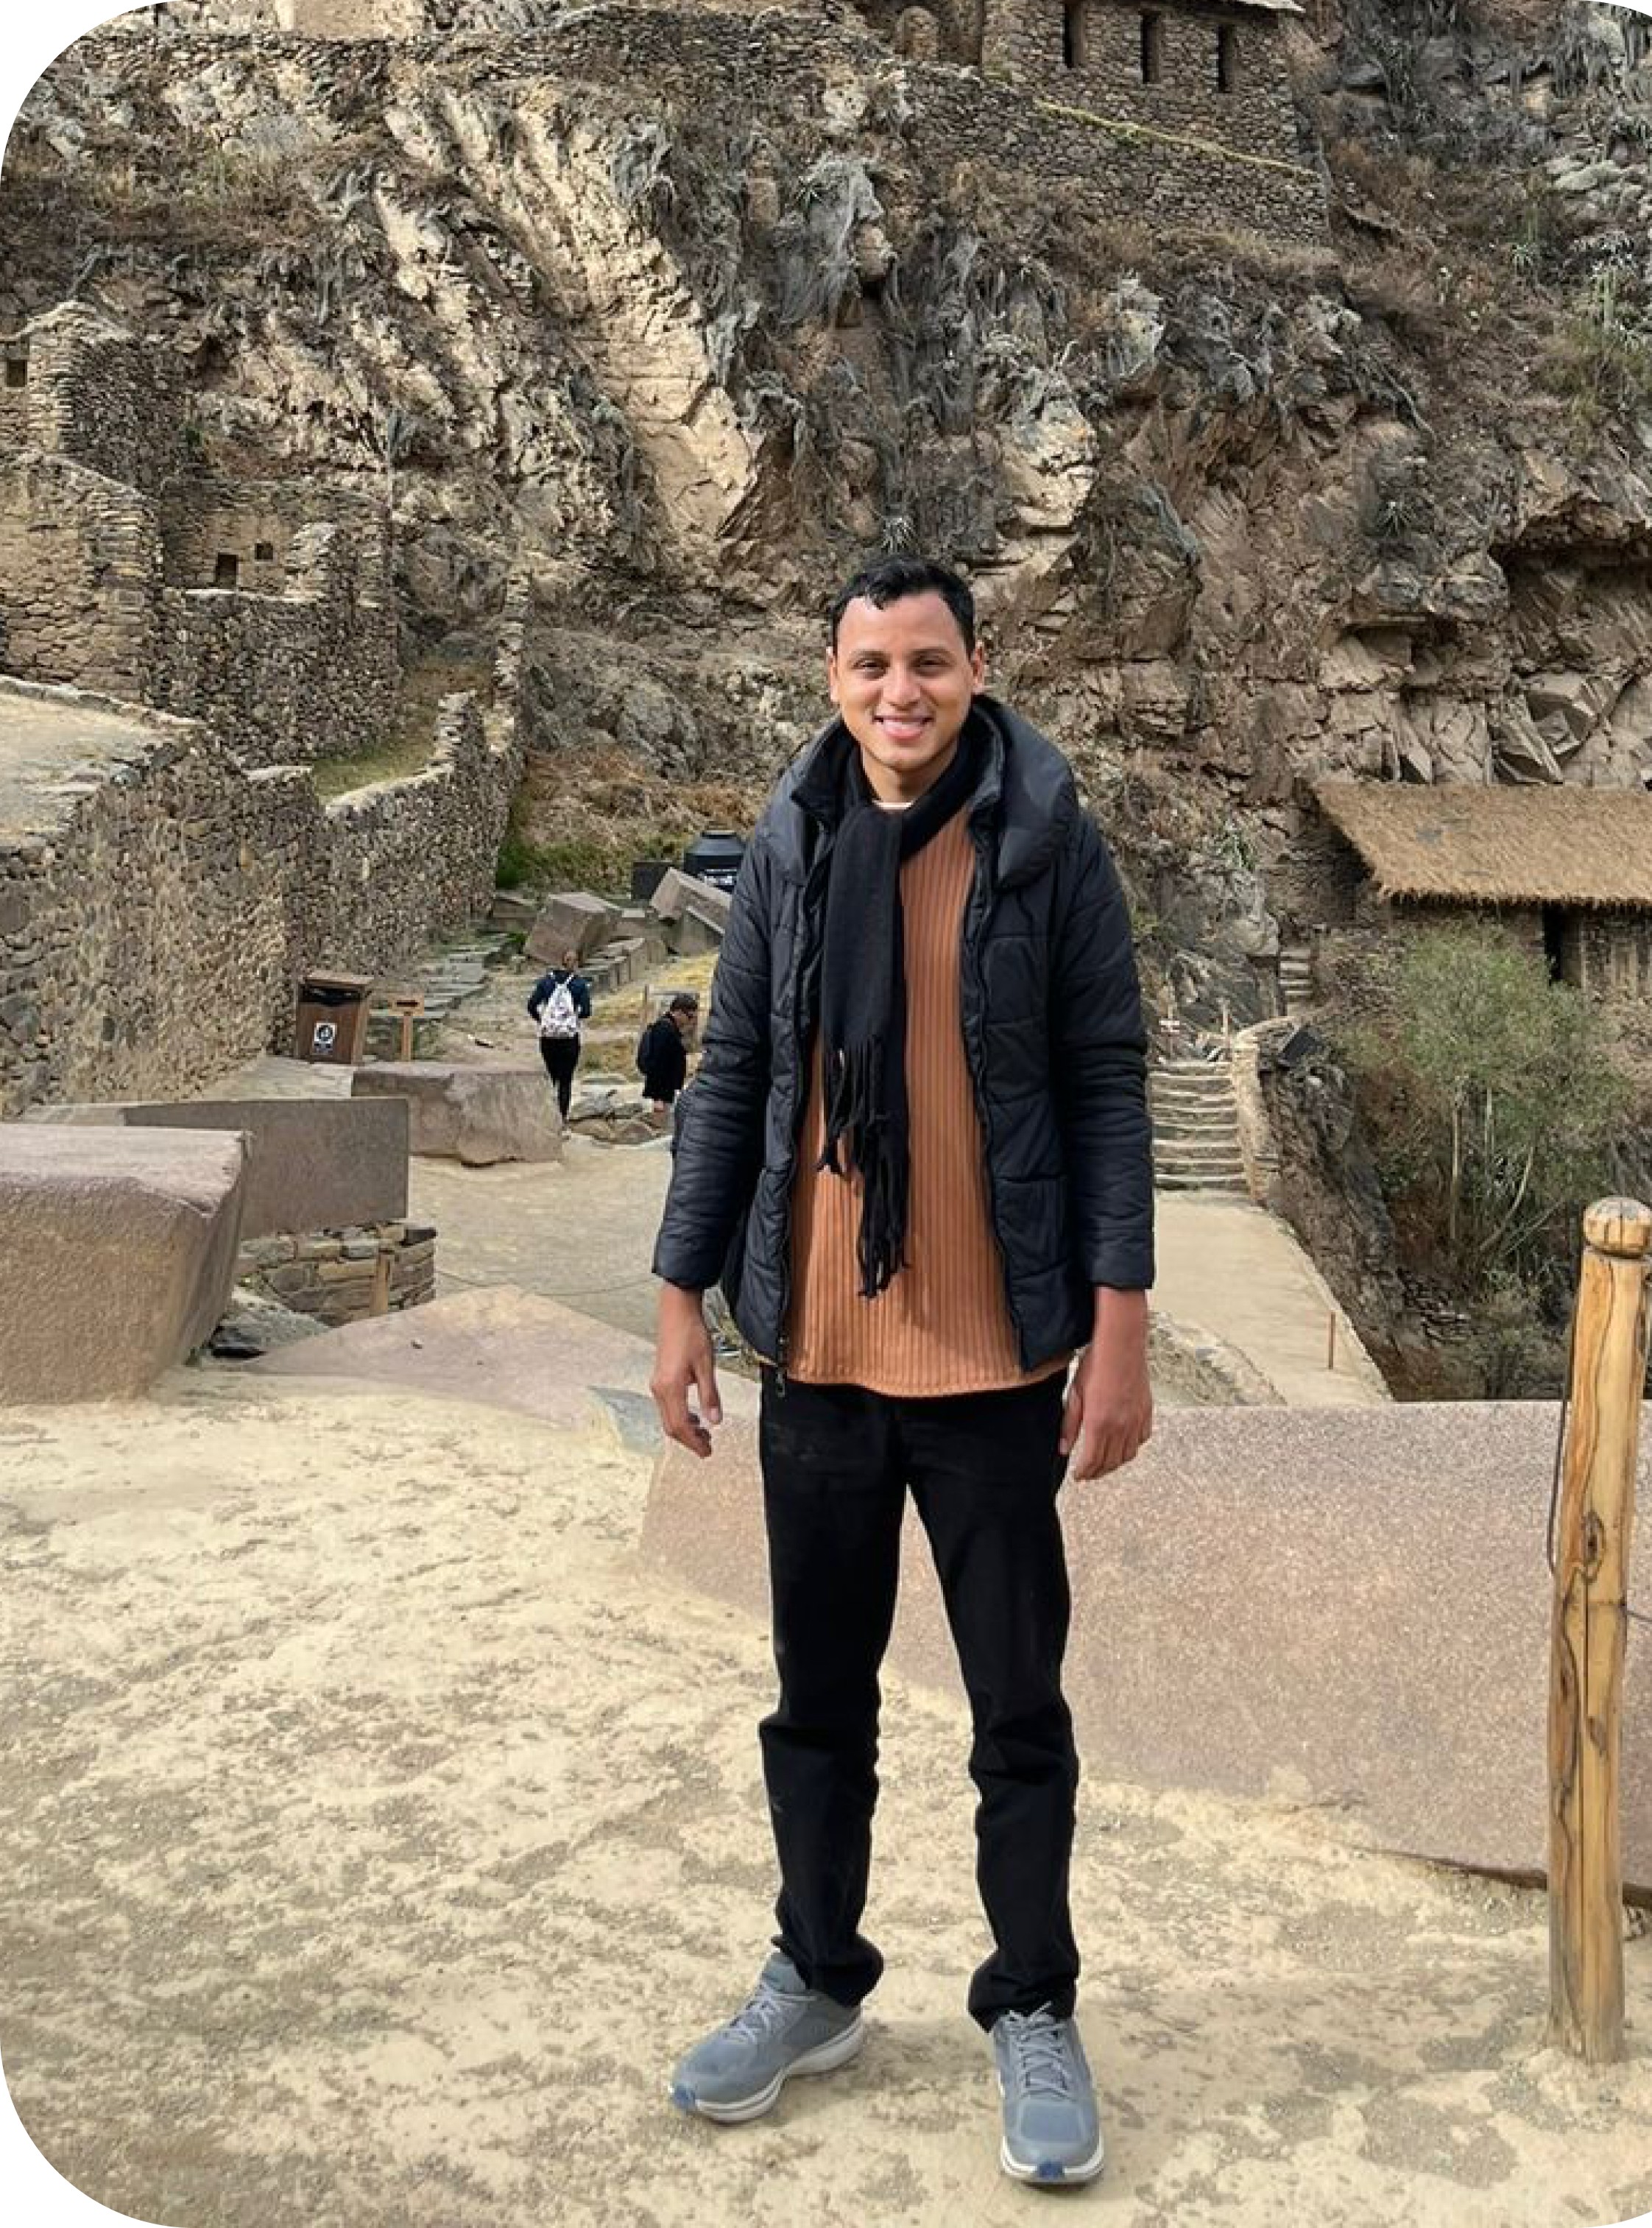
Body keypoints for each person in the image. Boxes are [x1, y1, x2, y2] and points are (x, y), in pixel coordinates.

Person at [649, 555, 1154, 2186]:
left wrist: (1121, 1324)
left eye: (929, 663)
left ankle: (1033, 1999)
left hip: (995, 1359)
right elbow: (735, 1070)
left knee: (1019, 1706)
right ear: (830, 673)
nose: (902, 693)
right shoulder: (792, 842)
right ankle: (816, 1973)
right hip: (822, 1353)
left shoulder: (1049, 838)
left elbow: (1105, 1078)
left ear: (976, 665)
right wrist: (678, 1294)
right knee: (819, 1702)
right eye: (873, 665)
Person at [525, 960, 592, 1121]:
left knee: (551, 1077)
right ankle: (561, 1118)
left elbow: (531, 1005)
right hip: (569, 1038)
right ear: (575, 963)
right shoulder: (579, 984)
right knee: (566, 1080)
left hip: (548, 1038)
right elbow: (587, 1011)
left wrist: (542, 1020)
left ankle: (547, 1115)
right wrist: (573, 1019)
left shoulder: (546, 982)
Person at [638, 990, 699, 1111]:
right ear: (679, 1012)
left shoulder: (670, 1028)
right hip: (663, 1095)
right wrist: (658, 1097)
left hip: (667, 1091)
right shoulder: (664, 1029)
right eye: (690, 1016)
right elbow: (657, 1063)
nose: (691, 1021)